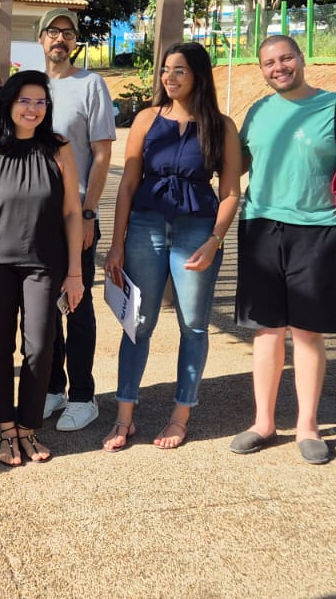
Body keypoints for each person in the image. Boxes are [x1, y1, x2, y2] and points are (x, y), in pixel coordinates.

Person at [229, 35, 336, 465]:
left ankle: (308, 426)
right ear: (260, 70)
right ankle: (263, 422)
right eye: (268, 63)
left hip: (318, 232)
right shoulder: (259, 111)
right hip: (260, 226)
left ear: (301, 59)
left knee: (307, 333)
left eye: (285, 59)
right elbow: (238, 163)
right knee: (265, 330)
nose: (278, 67)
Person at [101, 43, 241, 452]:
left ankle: (181, 415)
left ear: (198, 75)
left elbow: (231, 192)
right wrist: (116, 245)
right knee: (138, 324)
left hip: (198, 230)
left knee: (193, 325)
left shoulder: (221, 126)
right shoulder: (146, 119)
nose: (169, 77)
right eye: (165, 70)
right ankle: (123, 417)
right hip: (146, 226)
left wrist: (216, 241)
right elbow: (127, 184)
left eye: (179, 70)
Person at [0, 71, 84, 467]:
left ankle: (29, 426)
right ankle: (5, 427)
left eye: (40, 102)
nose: (32, 109)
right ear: (10, 103)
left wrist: (75, 273)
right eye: (24, 101)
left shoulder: (59, 148)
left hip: (44, 265)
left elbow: (70, 213)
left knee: (40, 345)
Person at [35, 9, 115, 432]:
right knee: (41, 308)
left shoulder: (91, 85)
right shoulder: (30, 88)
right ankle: (53, 388)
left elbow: (102, 153)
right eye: (53, 31)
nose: (60, 39)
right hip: (35, 218)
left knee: (77, 306)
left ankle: (83, 395)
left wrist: (89, 213)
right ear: (41, 38)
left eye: (68, 33)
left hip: (75, 215)